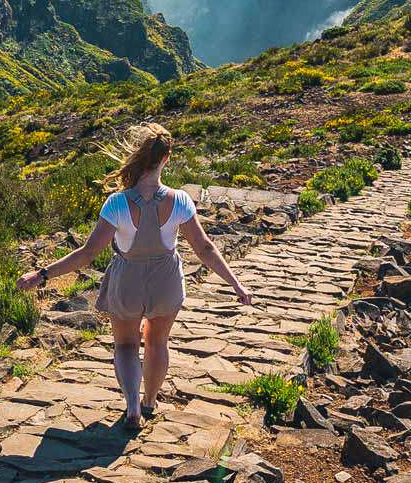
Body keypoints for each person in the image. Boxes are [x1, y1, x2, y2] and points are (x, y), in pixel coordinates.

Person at [17, 123, 253, 426]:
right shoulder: (180, 200)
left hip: (127, 281)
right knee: (158, 343)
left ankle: (132, 406)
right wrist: (236, 283)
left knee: (126, 346)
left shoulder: (117, 203)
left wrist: (42, 274)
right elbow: (205, 249)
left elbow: (87, 253)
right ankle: (150, 401)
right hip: (166, 281)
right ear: (166, 158)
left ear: (137, 157)